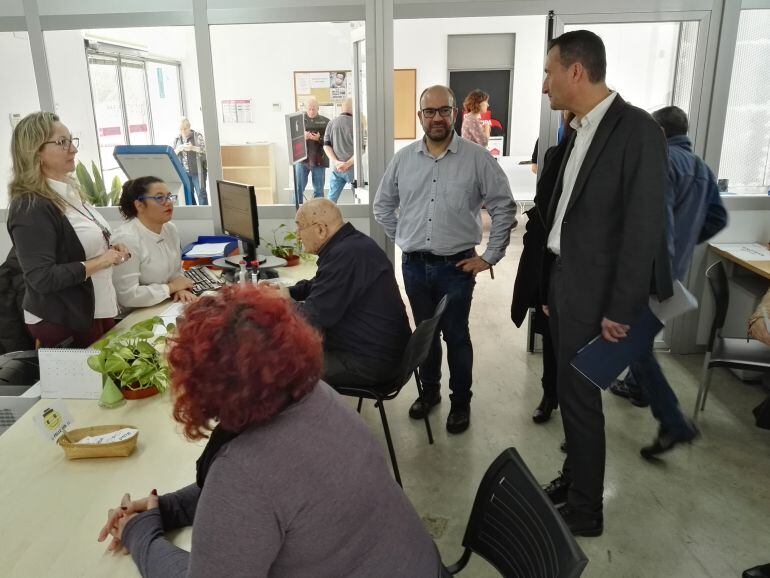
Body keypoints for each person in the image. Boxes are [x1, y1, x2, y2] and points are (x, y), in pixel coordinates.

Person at [97, 286, 446, 577]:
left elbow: (247, 498)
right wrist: (166, 508)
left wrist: (139, 532)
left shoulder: (243, 473)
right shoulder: (318, 395)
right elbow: (271, 501)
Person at [539, 31, 670, 537]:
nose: (544, 83)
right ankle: (575, 481)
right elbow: (571, 212)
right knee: (569, 393)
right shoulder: (579, 129)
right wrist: (552, 284)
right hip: (566, 281)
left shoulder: (635, 131)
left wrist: (621, 308)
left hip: (598, 294)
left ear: (576, 71)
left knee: (580, 399)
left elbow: (642, 229)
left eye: (549, 71)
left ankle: (585, 510)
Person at [374, 85, 517, 434]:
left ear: (454, 113)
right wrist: (405, 237)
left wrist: (490, 256)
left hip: (457, 267)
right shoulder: (403, 159)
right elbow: (383, 206)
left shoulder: (477, 158)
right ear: (420, 116)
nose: (436, 118)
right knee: (426, 334)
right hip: (414, 266)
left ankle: (461, 402)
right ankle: (431, 393)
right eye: (429, 111)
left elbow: (504, 207)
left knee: (456, 336)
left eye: (443, 110)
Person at [609, 105, 728, 458]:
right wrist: (688, 242)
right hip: (674, 272)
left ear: (658, 133)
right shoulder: (702, 168)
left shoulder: (660, 163)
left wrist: (647, 268)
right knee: (644, 333)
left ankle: (673, 421)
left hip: (650, 273)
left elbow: (657, 226)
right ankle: (637, 387)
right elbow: (718, 218)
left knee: (634, 344)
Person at [7, 112, 130, 348]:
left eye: (72, 141)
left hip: (95, 307)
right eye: (62, 142)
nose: (73, 149)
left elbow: (77, 248)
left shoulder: (70, 193)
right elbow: (41, 278)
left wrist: (111, 251)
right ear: (35, 152)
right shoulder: (30, 206)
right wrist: (101, 261)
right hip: (63, 318)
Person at [268, 198, 410, 391]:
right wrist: (289, 291)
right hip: (377, 350)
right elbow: (322, 284)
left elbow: (312, 318)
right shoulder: (350, 244)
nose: (297, 236)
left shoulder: (347, 255)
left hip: (370, 363)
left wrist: (284, 302)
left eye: (300, 228)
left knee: (277, 365)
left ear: (320, 229)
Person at [511, 112, 575, 425]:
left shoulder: (616, 149)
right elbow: (546, 205)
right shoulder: (556, 153)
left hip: (587, 267)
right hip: (551, 261)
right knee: (551, 335)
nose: (546, 87)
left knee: (581, 347)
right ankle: (550, 394)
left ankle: (577, 416)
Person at [111, 176, 196, 310]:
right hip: (134, 312)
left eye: (169, 197)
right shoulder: (127, 239)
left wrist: (180, 289)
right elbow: (127, 295)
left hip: (164, 305)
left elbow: (175, 272)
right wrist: (171, 288)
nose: (168, 202)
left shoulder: (170, 229)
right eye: (159, 198)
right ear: (139, 205)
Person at [295, 97, 330, 204]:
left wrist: (318, 138)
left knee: (319, 191)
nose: (311, 111)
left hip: (319, 159)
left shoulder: (326, 121)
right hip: (302, 160)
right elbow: (290, 139)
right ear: (305, 108)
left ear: (318, 108)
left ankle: (317, 215)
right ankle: (295, 214)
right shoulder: (297, 121)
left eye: (314, 109)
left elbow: (331, 141)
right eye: (309, 109)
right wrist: (302, 136)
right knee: (298, 190)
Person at [323, 97, 355, 203]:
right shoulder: (358, 123)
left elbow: (326, 146)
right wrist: (348, 164)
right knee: (360, 199)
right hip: (353, 170)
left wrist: (336, 162)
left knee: (331, 202)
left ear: (342, 108)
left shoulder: (331, 123)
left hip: (337, 169)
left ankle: (327, 220)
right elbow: (362, 149)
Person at [173, 118, 207, 206]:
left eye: (185, 128)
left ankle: (205, 215)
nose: (183, 131)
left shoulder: (197, 136)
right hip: (184, 173)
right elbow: (173, 154)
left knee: (201, 194)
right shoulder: (177, 139)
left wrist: (192, 148)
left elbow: (205, 151)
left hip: (198, 172)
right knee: (189, 195)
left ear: (189, 127)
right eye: (181, 129)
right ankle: (195, 214)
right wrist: (179, 149)